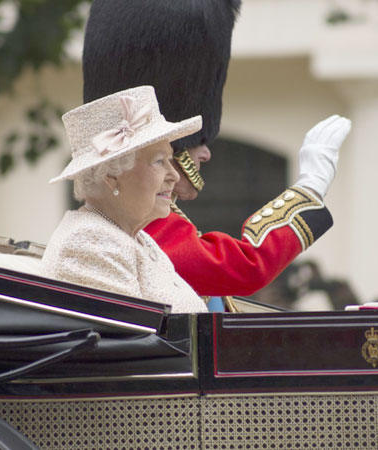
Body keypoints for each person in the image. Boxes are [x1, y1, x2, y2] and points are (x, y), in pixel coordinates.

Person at [83, 0, 351, 304]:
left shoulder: (143, 218)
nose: (207, 154)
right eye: (198, 140)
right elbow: (244, 266)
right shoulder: (140, 225)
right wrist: (309, 189)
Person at [42, 86, 208, 313]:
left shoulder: (136, 238)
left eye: (170, 160)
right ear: (111, 176)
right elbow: (137, 344)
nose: (175, 176)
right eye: (159, 161)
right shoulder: (91, 243)